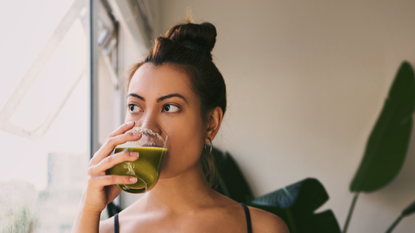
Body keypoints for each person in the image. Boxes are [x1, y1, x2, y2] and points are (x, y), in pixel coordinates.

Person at [72, 20, 289, 233]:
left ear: (211, 123)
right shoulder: (103, 230)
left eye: (169, 107)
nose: (147, 126)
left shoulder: (264, 228)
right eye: (135, 106)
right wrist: (88, 208)